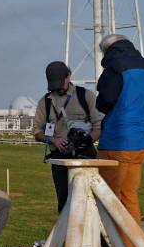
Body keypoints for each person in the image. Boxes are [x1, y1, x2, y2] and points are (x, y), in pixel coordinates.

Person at [95, 34, 144, 247]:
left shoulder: (115, 68)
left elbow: (104, 102)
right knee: (129, 197)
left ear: (107, 51)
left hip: (117, 141)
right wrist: (141, 112)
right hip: (141, 143)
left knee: (109, 199)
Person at [32, 61, 104, 212]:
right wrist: (53, 140)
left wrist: (87, 140)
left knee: (90, 204)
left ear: (68, 76)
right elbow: (37, 132)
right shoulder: (45, 102)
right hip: (60, 160)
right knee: (64, 204)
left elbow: (99, 126)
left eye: (60, 83)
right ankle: (66, 236)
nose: (57, 88)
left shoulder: (86, 96)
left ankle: (94, 235)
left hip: (86, 158)